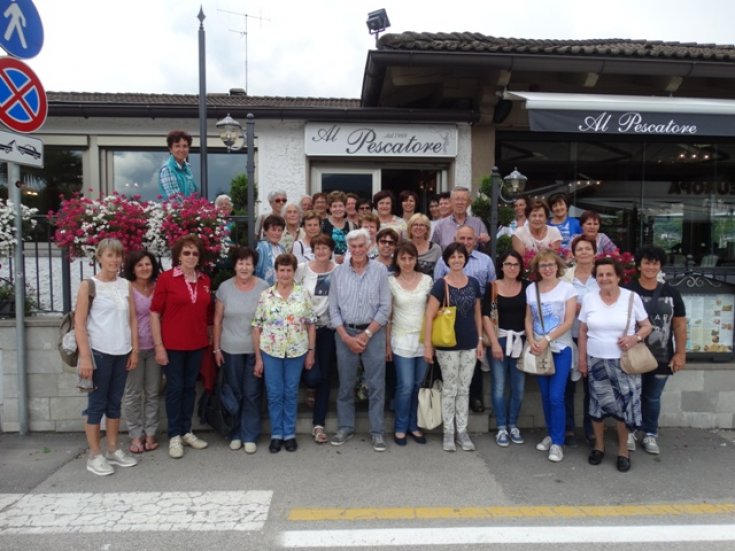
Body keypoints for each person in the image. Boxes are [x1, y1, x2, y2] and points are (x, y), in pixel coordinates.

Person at [578, 258, 652, 472]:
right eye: (600, 275)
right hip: (596, 361)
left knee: (624, 408)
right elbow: (583, 331)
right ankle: (599, 447)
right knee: (597, 407)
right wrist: (582, 360)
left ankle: (622, 451)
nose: (604, 279)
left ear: (618, 276)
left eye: (609, 274)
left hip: (624, 363)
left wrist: (634, 338)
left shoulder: (631, 298)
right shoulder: (590, 298)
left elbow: (647, 326)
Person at [76, 239, 139, 476]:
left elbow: (132, 319)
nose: (114, 260)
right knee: (96, 405)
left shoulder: (125, 285)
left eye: (118, 256)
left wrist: (134, 349)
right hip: (99, 354)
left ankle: (113, 449)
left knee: (115, 403)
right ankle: (95, 454)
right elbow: (80, 323)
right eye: (110, 255)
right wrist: (85, 357)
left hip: (121, 352)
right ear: (99, 257)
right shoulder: (89, 286)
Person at [329, 228, 391, 452]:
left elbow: (385, 308)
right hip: (345, 332)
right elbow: (333, 308)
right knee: (346, 384)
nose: (357, 250)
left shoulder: (380, 270)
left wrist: (366, 334)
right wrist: (345, 336)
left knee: (376, 385)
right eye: (352, 246)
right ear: (348, 248)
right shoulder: (338, 273)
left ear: (369, 246)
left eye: (360, 246)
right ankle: (346, 426)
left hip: (372, 333)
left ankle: (377, 432)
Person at [150, 234, 211, 459]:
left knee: (189, 388)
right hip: (173, 345)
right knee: (175, 389)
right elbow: (155, 313)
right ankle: (174, 435)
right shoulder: (167, 279)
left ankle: (186, 431)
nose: (191, 256)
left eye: (195, 253)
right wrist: (158, 346)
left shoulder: (204, 280)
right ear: (178, 255)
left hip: (196, 344)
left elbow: (206, 314)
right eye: (186, 252)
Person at [423, 242, 484, 452]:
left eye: (460, 256)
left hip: (469, 343)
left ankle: (462, 431)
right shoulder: (441, 284)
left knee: (463, 389)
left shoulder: (474, 283)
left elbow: (477, 312)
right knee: (450, 388)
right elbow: (430, 316)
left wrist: (479, 340)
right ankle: (448, 432)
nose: (457, 260)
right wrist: (428, 346)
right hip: (447, 344)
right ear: (447, 260)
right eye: (453, 257)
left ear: (465, 259)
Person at [253, 253, 317, 453]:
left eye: (289, 270)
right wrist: (257, 358)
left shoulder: (303, 294)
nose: (285, 274)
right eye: (282, 270)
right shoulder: (266, 295)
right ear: (276, 271)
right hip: (271, 352)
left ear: (294, 271)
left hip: (297, 351)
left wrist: (310, 352)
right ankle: (276, 434)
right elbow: (257, 327)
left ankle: (289, 434)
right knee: (274, 394)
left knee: (290, 393)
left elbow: (311, 325)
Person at [626, 246, 686, 455]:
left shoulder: (671, 292)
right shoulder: (628, 290)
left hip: (661, 354)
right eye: (646, 262)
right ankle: (630, 431)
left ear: (660, 266)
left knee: (652, 397)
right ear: (639, 265)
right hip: (633, 354)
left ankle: (650, 433)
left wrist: (680, 353)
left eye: (655, 263)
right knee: (632, 395)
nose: (650, 267)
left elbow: (679, 325)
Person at [212, 247, 269, 454]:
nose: (244, 267)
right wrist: (216, 348)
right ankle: (235, 432)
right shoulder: (225, 288)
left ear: (254, 266)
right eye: (240, 263)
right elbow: (217, 320)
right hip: (230, 348)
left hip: (255, 349)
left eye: (248, 263)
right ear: (235, 265)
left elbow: (266, 321)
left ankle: (250, 434)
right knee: (233, 392)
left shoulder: (264, 287)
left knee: (252, 393)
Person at [433, 225, 496, 413]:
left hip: (477, 311)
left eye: (470, 238)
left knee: (474, 358)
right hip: (449, 315)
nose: (466, 242)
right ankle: (447, 401)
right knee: (449, 363)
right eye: (462, 238)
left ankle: (474, 397)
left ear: (475, 240)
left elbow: (493, 288)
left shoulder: (486, 260)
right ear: (455, 239)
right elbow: (437, 288)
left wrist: (491, 316)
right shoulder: (444, 261)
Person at [525, 250, 576, 463]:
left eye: (550, 265)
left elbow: (568, 321)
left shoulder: (568, 289)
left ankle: (557, 442)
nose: (547, 269)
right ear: (538, 269)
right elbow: (528, 318)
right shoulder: (531, 289)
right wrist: (531, 339)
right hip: (539, 348)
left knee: (556, 396)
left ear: (558, 267)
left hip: (561, 348)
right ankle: (552, 433)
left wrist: (546, 338)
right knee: (545, 396)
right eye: (543, 265)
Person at [481, 250, 529, 448]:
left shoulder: (527, 287)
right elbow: (485, 316)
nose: (511, 268)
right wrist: (493, 343)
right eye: (508, 264)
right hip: (499, 340)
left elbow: (530, 315)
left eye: (515, 265)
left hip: (519, 341)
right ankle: (501, 426)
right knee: (499, 387)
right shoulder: (492, 287)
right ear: (501, 266)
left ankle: (513, 424)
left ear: (520, 267)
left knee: (518, 388)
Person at [295, 234, 339, 444]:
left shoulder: (338, 271)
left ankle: (318, 425)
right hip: (304, 329)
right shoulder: (303, 269)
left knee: (325, 378)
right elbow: (293, 294)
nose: (321, 251)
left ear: (331, 250)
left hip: (329, 329)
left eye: (325, 248)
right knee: (313, 376)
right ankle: (309, 388)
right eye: (318, 248)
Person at [388, 241, 433, 446]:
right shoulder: (391, 282)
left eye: (411, 258)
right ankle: (400, 426)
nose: (407, 262)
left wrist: (430, 342)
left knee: (417, 385)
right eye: (403, 258)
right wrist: (387, 344)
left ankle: (414, 425)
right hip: (401, 338)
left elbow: (431, 313)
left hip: (423, 339)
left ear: (416, 259)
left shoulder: (427, 280)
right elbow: (388, 316)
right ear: (397, 260)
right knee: (405, 386)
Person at [122, 250, 161, 455]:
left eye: (147, 264)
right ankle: (136, 435)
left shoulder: (158, 287)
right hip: (133, 349)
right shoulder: (127, 288)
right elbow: (129, 319)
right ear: (133, 268)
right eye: (140, 265)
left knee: (153, 393)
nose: (145, 268)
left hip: (155, 348)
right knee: (133, 394)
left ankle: (151, 433)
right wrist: (133, 349)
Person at [562, 235, 599, 447]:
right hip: (569, 335)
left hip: (594, 338)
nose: (584, 252)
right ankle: (568, 429)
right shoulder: (566, 278)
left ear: (594, 252)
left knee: (592, 387)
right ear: (573, 254)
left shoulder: (601, 277)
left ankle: (591, 429)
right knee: (567, 387)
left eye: (588, 248)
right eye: (580, 249)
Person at [159, 130, 197, 199]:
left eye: (185, 146)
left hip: (189, 209)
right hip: (175, 209)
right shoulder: (167, 169)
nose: (181, 150)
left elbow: (193, 194)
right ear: (170, 149)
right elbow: (174, 199)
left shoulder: (187, 168)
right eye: (177, 146)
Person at [321, 190, 354, 263]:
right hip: (327, 263)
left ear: (345, 207)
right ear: (330, 208)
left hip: (348, 264)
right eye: (334, 206)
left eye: (340, 206)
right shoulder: (322, 224)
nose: (338, 209)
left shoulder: (352, 226)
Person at [255, 215, 287, 284]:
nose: (277, 233)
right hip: (264, 288)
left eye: (279, 230)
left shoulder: (282, 249)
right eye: (273, 229)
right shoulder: (260, 248)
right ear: (265, 231)